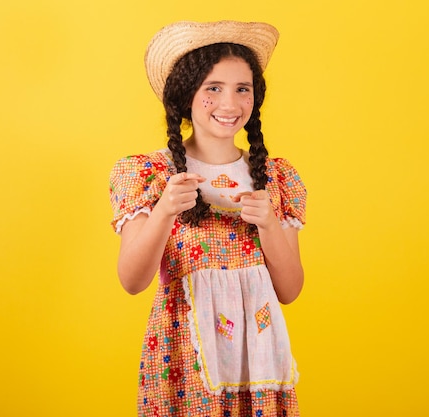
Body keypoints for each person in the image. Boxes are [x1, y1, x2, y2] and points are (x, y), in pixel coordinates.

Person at [109, 20, 307, 417]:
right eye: (212, 88)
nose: (229, 105)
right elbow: (132, 281)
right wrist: (164, 210)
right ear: (185, 96)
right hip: (184, 356)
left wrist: (269, 223)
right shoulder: (147, 173)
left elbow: (290, 289)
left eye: (242, 89)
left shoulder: (276, 177)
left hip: (258, 356)